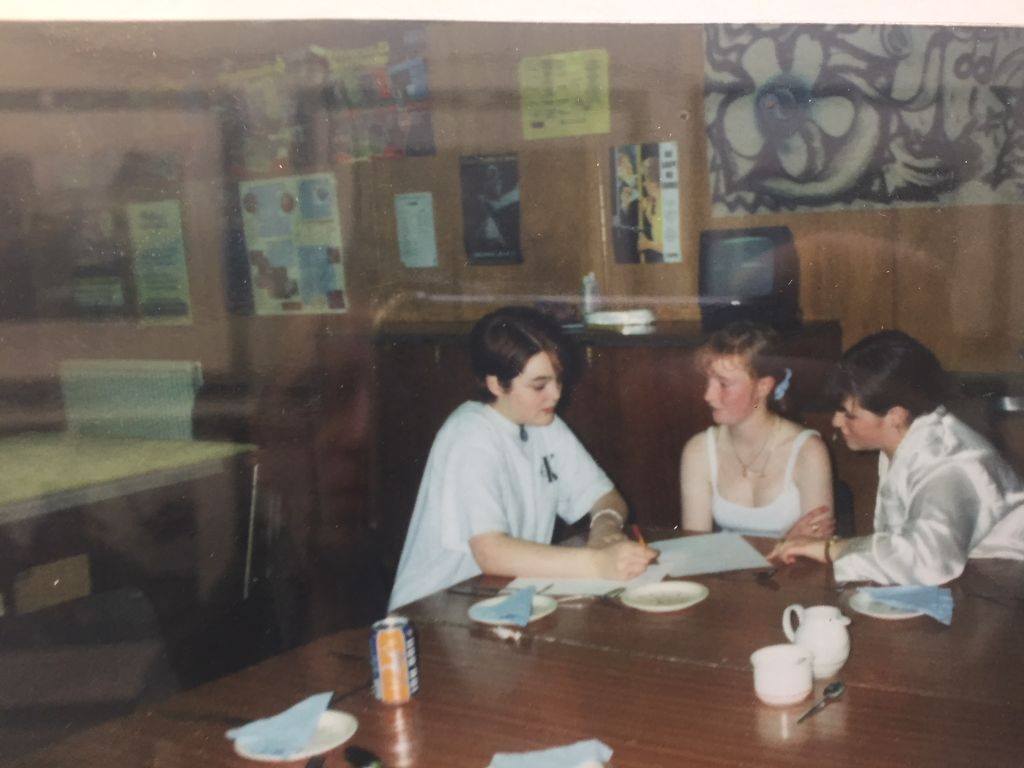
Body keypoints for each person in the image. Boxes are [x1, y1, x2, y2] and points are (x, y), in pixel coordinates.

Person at [388, 307, 657, 609]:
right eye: (539, 385)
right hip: (434, 608)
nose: (555, 395)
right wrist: (596, 562)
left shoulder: (542, 421)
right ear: (495, 384)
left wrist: (604, 530)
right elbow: (490, 553)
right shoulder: (470, 435)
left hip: (500, 598)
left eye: (557, 380)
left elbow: (606, 497)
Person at [771, 330, 1024, 585]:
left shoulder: (949, 464)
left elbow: (927, 559)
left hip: (1004, 587)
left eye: (849, 414)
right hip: (967, 580)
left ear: (896, 416)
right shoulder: (910, 438)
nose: (836, 422)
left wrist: (831, 549)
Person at [680, 322, 835, 540]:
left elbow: (817, 548)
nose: (708, 396)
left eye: (723, 384)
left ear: (763, 387)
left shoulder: (808, 451)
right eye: (708, 381)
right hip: (732, 565)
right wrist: (785, 544)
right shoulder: (699, 450)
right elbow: (696, 547)